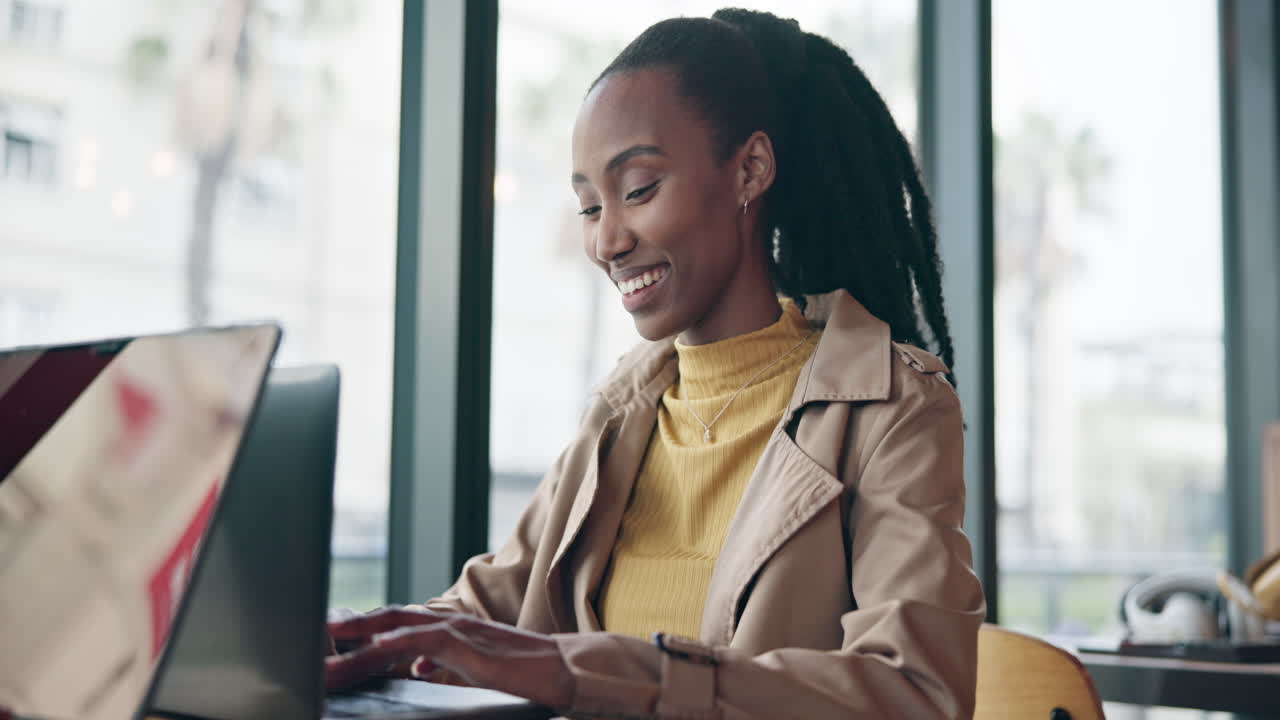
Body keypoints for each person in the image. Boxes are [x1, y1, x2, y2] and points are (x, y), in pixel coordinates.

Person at [326, 8, 986, 719]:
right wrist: (348, 643)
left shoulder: (890, 408)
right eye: (587, 207)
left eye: (637, 189)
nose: (607, 240)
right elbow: (476, 614)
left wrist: (583, 671)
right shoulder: (621, 410)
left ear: (750, 171)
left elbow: (915, 695)